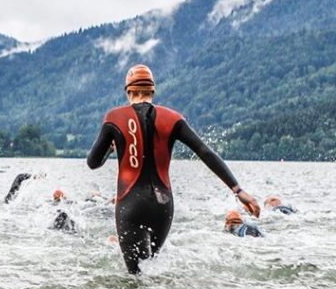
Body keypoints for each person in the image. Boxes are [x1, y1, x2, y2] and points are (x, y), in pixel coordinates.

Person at [87, 64, 260, 275]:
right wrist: (238, 190)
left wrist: (112, 148)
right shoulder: (173, 118)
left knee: (136, 278)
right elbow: (204, 151)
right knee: (151, 269)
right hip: (163, 206)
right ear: (152, 91)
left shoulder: (115, 118)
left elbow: (93, 162)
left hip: (130, 204)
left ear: (128, 91)